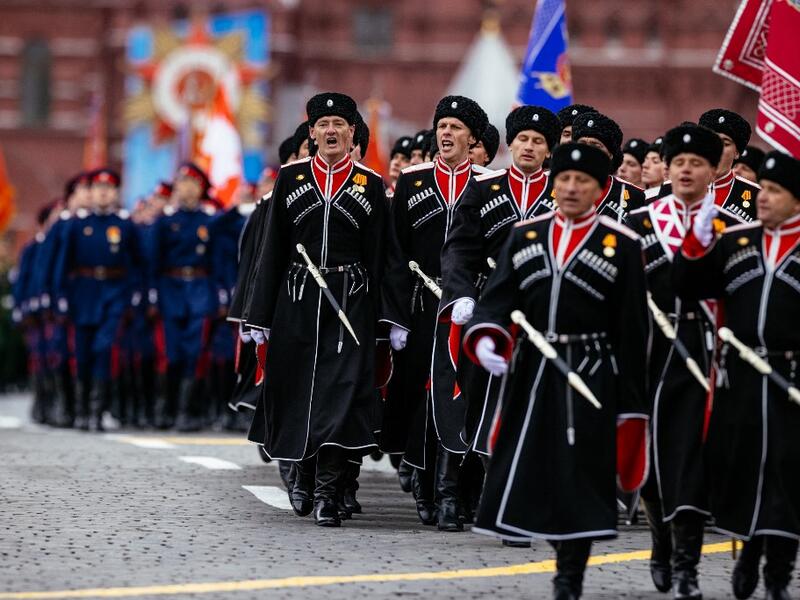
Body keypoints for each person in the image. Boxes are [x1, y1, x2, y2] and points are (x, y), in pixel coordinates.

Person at [465, 142, 649, 599]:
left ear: (599, 189)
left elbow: (632, 328)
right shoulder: (526, 234)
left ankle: (571, 569)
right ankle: (519, 524)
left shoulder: (622, 246)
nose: (570, 188)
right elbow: (499, 298)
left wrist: (631, 402)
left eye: (582, 181)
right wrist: (488, 336)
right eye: (564, 178)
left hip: (591, 371)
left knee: (581, 471)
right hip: (532, 370)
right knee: (529, 459)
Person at [243, 92, 388, 528]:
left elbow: (382, 257)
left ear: (351, 133)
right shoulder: (290, 180)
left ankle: (327, 492)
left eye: (339, 124)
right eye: (322, 124)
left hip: (350, 302)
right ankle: (300, 475)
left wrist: (385, 319)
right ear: (311, 133)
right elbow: (271, 251)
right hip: (297, 301)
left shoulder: (371, 185)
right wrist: (258, 316)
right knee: (295, 391)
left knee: (339, 397)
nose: (330, 131)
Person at [673, 150, 800, 600]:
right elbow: (690, 288)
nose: (763, 198)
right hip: (738, 375)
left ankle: (779, 574)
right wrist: (696, 245)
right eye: (762, 190)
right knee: (744, 469)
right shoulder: (736, 241)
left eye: (776, 192)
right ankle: (749, 548)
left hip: (789, 378)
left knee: (787, 475)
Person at [628, 123, 746, 599]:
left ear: (713, 170)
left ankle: (686, 566)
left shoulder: (730, 228)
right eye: (679, 163)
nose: (687, 171)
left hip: (703, 357)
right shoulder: (639, 222)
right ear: (669, 168)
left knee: (692, 461)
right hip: (650, 354)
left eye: (697, 163)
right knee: (653, 468)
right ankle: (660, 536)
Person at [382, 95, 490, 531]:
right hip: (422, 308)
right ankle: (425, 483)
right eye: (441, 125)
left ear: (473, 138)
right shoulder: (413, 181)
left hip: (468, 310)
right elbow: (394, 254)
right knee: (420, 397)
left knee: (461, 396)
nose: (446, 134)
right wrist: (395, 317)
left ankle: (458, 492)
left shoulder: (488, 184)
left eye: (455, 127)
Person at [440, 104, 560, 467]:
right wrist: (460, 293)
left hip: (541, 310)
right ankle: (477, 483)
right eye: (523, 139)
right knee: (483, 394)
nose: (529, 146)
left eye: (538, 141)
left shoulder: (561, 191)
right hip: (489, 305)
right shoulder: (484, 187)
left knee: (534, 397)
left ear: (548, 150)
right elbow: (459, 247)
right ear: (511, 143)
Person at [53, 169, 144, 432]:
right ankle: (81, 410)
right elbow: (63, 264)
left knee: (104, 350)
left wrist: (134, 293)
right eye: (98, 188)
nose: (103, 193)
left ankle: (96, 410)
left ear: (116, 193)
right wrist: (59, 295)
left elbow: (137, 262)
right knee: (81, 353)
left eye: (109, 188)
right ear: (91, 193)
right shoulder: (76, 225)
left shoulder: (125, 225)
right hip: (82, 294)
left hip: (114, 292)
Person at [146, 162, 218, 432]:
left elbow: (216, 262)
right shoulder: (164, 222)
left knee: (196, 352)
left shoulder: (209, 220)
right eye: (181, 183)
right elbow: (152, 262)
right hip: (170, 289)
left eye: (192, 184)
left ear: (200, 189)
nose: (186, 189)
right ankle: (165, 407)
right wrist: (152, 296)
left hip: (199, 289)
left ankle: (187, 411)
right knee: (170, 353)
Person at [571, 112, 646, 220]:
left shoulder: (634, 196)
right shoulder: (553, 184)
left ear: (610, 154)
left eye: (595, 146)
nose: (586, 151)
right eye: (582, 144)